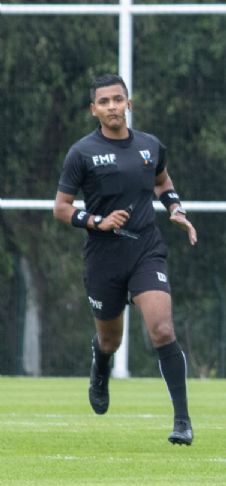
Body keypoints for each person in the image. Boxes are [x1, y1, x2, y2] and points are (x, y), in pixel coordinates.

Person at [53, 74, 198, 445]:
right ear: (93, 110)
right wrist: (97, 222)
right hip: (104, 258)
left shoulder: (150, 146)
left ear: (129, 103)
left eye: (118, 99)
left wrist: (176, 209)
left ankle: (182, 421)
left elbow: (162, 183)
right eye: (104, 102)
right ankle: (100, 367)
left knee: (162, 330)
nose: (112, 106)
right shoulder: (81, 153)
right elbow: (61, 209)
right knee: (110, 341)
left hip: (146, 250)